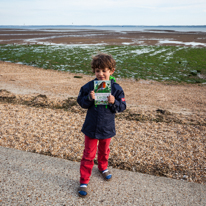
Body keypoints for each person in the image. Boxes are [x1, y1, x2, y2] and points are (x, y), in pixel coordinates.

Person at [77, 53, 126, 197]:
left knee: (104, 151)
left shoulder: (116, 88)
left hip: (107, 127)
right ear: (94, 71)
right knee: (88, 155)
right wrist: (89, 98)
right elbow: (81, 102)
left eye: (104, 70)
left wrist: (114, 102)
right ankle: (84, 181)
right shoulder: (89, 86)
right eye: (98, 70)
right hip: (91, 127)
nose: (101, 74)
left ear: (112, 71)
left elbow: (122, 106)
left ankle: (103, 168)